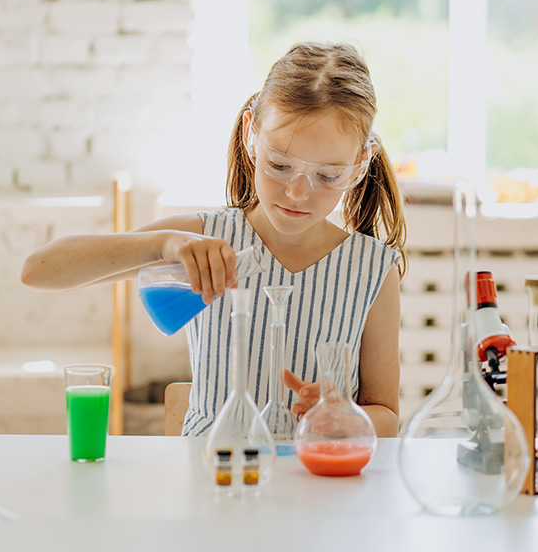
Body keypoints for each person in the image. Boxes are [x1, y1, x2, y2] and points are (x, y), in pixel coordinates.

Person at [22, 41, 407, 437]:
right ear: (250, 137)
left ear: (361, 164)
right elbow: (39, 271)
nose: (297, 192)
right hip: (211, 479)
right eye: (279, 165)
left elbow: (387, 416)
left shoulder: (372, 270)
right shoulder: (203, 239)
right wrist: (163, 244)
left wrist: (344, 416)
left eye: (327, 176)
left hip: (318, 487)